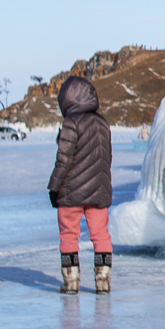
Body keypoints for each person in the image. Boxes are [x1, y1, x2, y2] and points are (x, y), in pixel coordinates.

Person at [48, 75, 114, 294]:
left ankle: (71, 281)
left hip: (71, 194)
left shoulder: (71, 123)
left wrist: (54, 188)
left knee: (69, 235)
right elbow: (107, 159)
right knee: (101, 234)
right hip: (98, 191)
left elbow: (63, 160)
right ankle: (103, 280)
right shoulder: (103, 123)